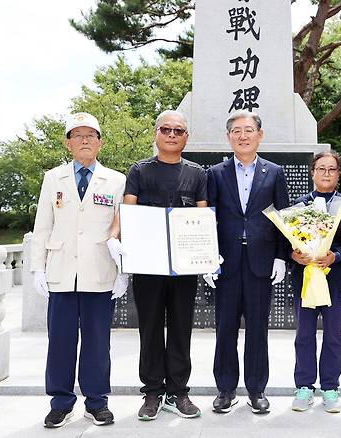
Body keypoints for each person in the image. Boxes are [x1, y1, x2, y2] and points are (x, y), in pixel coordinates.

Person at [30, 112, 128, 428]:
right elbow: (43, 226)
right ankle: (60, 402)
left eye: (90, 135)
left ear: (100, 142)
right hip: (61, 272)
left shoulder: (116, 180)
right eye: (78, 135)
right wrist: (37, 268)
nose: (84, 140)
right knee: (60, 341)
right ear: (68, 143)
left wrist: (125, 271)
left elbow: (122, 226)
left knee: (98, 343)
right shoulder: (53, 178)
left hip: (100, 272)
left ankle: (97, 402)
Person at [109, 110, 207, 420]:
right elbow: (127, 209)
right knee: (149, 327)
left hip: (183, 264)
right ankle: (152, 391)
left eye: (179, 131)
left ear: (186, 138)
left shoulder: (196, 173)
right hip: (147, 263)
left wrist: (208, 254)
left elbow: (203, 215)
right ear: (156, 133)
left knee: (181, 327)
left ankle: (179, 391)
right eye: (166, 129)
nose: (172, 135)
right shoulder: (140, 170)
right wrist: (114, 238)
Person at [206, 109, 290, 414]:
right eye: (236, 131)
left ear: (260, 135)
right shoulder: (215, 173)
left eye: (248, 130)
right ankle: (225, 389)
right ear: (229, 137)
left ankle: (257, 389)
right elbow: (208, 218)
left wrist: (281, 257)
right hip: (226, 261)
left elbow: (283, 218)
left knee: (258, 327)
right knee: (225, 327)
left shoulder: (274, 172)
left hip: (261, 261)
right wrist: (207, 258)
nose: (243, 136)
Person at [289, 151, 341, 414]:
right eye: (321, 169)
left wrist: (337, 256)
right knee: (304, 335)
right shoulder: (299, 204)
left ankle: (330, 387)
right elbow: (288, 242)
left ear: (339, 174)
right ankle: (304, 386)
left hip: (335, 280)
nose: (326, 174)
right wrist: (295, 255)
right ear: (313, 172)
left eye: (332, 169)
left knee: (333, 336)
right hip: (306, 279)